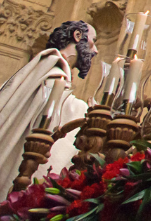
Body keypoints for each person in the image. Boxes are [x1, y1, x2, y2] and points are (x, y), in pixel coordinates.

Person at [0, 21, 96, 191]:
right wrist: (89, 112)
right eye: (93, 42)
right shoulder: (53, 69)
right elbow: (51, 108)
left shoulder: (43, 68)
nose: (95, 51)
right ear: (77, 36)